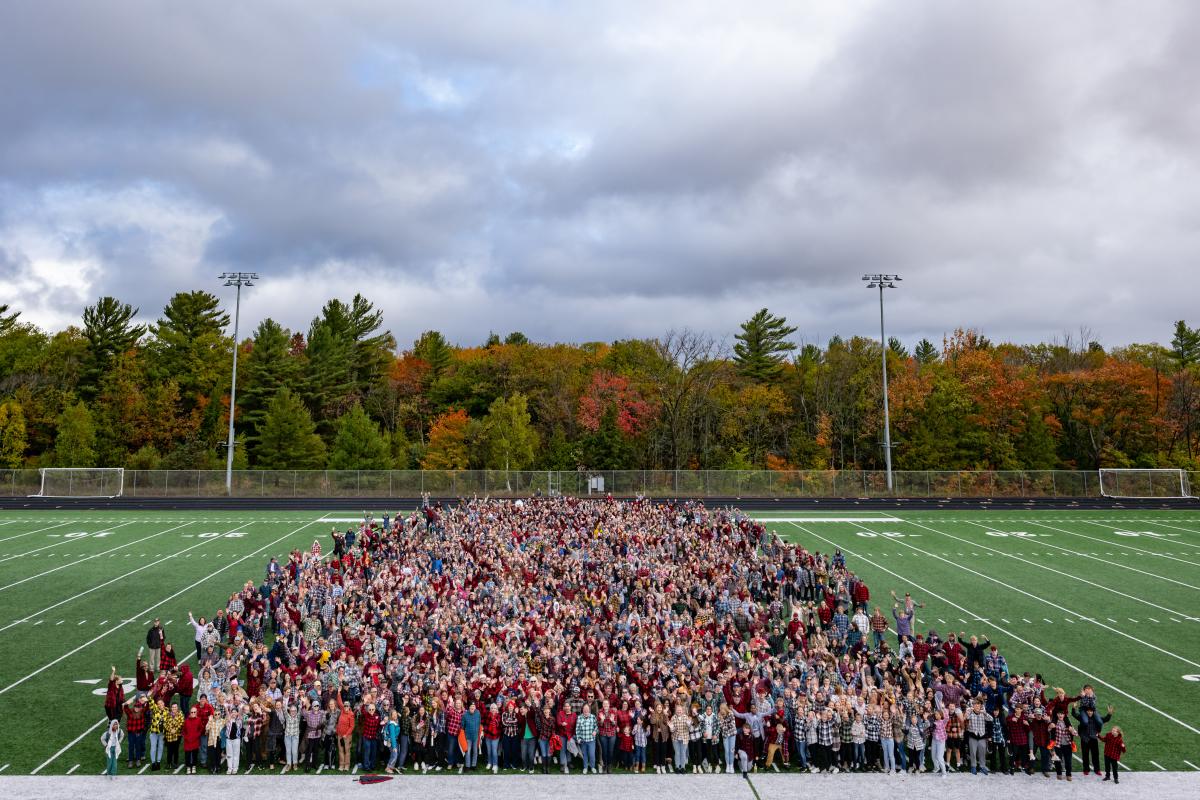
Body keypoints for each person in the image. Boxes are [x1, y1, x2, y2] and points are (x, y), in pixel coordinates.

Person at [1073, 702, 1114, 776]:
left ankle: (1097, 769)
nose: (1089, 712)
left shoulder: (1097, 718)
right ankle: (1086, 769)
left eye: (1091, 711)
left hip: (1094, 739)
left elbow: (1105, 719)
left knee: (1095, 755)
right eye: (1088, 711)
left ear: (1093, 712)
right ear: (1086, 711)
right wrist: (1073, 708)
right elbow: (1074, 715)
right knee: (1085, 755)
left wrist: (1109, 713)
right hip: (1085, 739)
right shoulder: (1083, 718)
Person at [182, 706, 204, 774]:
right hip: (188, 741)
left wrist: (197, 735)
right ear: (190, 713)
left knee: (194, 754)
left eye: (194, 712)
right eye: (192, 712)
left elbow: (201, 728)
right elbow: (183, 731)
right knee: (187, 754)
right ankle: (188, 767)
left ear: (196, 713)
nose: (193, 713)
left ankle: (194, 766)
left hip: (195, 740)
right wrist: (186, 737)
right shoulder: (186, 720)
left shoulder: (199, 720)